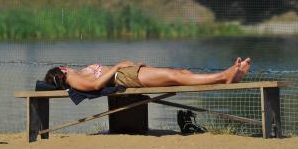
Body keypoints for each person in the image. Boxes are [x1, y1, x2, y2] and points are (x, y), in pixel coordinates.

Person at [44, 57, 251, 92]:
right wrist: (117, 67)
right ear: (61, 71)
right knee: (177, 76)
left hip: (127, 73)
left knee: (181, 73)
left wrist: (130, 66)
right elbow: (96, 87)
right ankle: (224, 76)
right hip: (124, 77)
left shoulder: (77, 74)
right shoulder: (72, 78)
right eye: (64, 67)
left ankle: (230, 77)